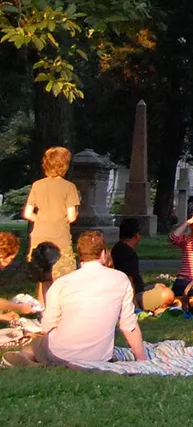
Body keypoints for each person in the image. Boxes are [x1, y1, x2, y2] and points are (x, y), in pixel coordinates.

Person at [4, 230, 146, 368]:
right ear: (103, 254)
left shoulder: (61, 284)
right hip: (100, 356)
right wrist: (142, 359)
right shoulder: (121, 280)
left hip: (61, 353)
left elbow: (48, 325)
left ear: (80, 255)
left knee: (33, 346)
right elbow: (129, 325)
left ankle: (33, 362)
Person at [22, 145, 80, 280]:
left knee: (42, 278)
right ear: (64, 165)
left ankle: (42, 301)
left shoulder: (37, 185)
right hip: (60, 236)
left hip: (39, 235)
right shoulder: (69, 187)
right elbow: (71, 217)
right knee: (62, 277)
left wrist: (42, 219)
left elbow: (28, 214)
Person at [110, 217, 175, 312]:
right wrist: (135, 308)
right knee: (167, 295)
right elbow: (129, 282)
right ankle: (158, 309)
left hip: (132, 292)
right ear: (137, 235)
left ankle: (158, 308)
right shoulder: (128, 254)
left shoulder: (117, 248)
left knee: (160, 285)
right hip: (131, 297)